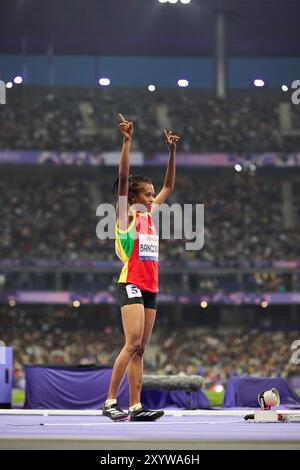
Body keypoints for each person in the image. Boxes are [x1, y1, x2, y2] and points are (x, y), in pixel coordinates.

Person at [102, 113, 179, 421]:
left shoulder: (149, 215)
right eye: (146, 195)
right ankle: (110, 401)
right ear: (132, 198)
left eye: (151, 194)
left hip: (150, 288)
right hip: (130, 282)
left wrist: (172, 153)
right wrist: (127, 141)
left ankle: (135, 406)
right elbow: (123, 179)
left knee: (141, 350)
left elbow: (169, 186)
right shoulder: (126, 216)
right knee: (131, 343)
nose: (151, 198)